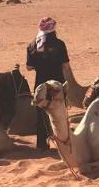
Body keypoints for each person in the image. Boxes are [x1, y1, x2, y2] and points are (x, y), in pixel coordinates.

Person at [26, 16, 75, 150]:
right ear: (53, 28)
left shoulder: (32, 45)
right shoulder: (59, 44)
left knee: (41, 116)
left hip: (40, 85)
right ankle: (63, 143)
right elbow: (65, 65)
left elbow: (29, 67)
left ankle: (42, 144)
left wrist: (40, 64)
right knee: (60, 114)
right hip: (57, 85)